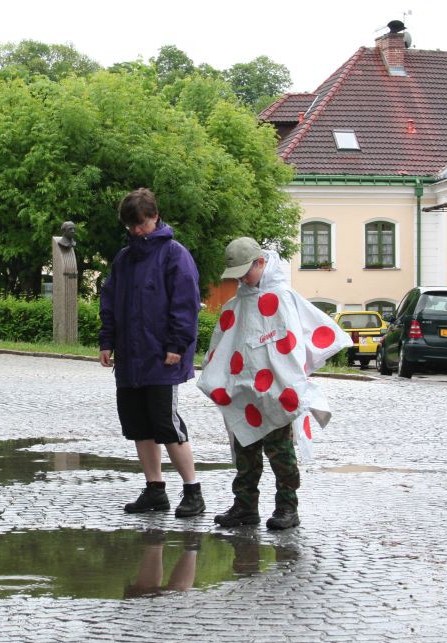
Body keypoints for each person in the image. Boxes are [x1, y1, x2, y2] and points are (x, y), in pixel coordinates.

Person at [196, 237, 350, 530]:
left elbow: (294, 345)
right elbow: (226, 345)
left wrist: (289, 384)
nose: (242, 278)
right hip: (244, 391)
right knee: (245, 452)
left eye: (246, 271)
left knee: (280, 453)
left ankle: (287, 507)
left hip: (277, 391)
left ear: (261, 263)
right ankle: (245, 506)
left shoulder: (282, 298)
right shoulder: (236, 304)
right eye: (238, 273)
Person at [99, 188, 205, 518]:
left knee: (167, 425)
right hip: (130, 359)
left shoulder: (175, 255)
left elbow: (185, 304)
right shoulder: (124, 259)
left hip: (162, 358)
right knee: (138, 426)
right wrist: (107, 341)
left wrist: (177, 345)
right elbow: (110, 301)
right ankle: (155, 489)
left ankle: (193, 491)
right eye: (131, 226)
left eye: (141, 224)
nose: (136, 231)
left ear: (154, 217)